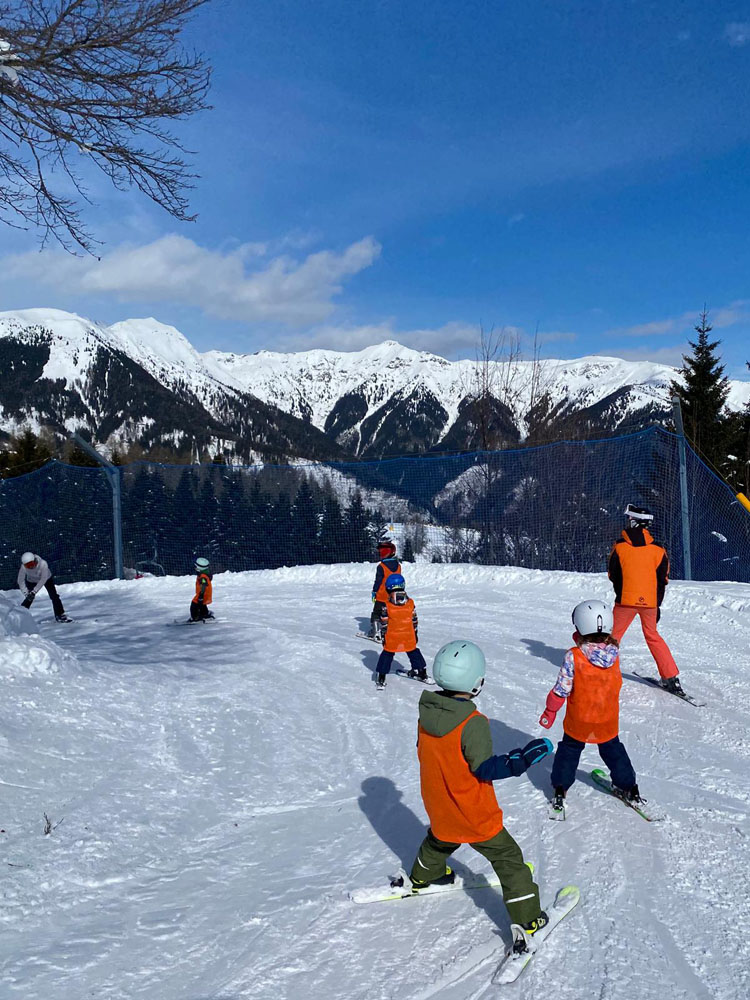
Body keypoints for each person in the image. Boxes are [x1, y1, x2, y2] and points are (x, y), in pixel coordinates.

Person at [406, 639, 552, 955]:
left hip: (438, 801)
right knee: (508, 859)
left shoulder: (426, 715)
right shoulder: (472, 723)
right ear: (476, 682)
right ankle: (528, 919)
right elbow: (485, 768)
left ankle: (423, 875)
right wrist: (523, 758)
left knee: (440, 838)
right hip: (472, 810)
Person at [539, 599, 642, 814]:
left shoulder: (574, 656)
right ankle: (629, 787)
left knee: (569, 751)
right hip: (607, 718)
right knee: (613, 751)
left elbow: (561, 689)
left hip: (580, 719)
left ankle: (560, 788)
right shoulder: (614, 655)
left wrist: (550, 711)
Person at [607, 503, 682, 694]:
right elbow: (663, 580)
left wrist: (622, 593)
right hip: (650, 603)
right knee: (653, 636)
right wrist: (657, 604)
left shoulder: (620, 547)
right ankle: (670, 678)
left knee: (613, 637)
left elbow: (613, 575)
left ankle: (604, 671)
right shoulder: (658, 549)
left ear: (633, 521)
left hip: (625, 601)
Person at [375, 573, 429, 689]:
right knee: (413, 651)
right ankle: (422, 673)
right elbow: (414, 620)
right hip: (408, 636)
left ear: (388, 588)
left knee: (387, 654)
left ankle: (381, 676)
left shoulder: (386, 606)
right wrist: (415, 632)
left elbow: (384, 623)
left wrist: (384, 636)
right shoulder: (410, 603)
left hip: (392, 637)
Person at [17, 552, 71, 622]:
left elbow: (43, 579)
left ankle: (60, 614)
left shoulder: (43, 564)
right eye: (27, 565)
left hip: (47, 579)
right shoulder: (23, 567)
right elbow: (20, 580)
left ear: (35, 560)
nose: (30, 567)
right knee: (29, 598)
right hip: (31, 580)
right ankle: (19, 615)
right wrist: (26, 593)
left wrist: (34, 591)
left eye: (31, 564)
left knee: (54, 596)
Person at [369, 538, 400, 639]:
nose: (381, 553)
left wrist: (374, 591)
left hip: (381, 595)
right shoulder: (398, 566)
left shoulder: (381, 566)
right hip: (393, 595)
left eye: (383, 551)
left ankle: (376, 632)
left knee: (377, 613)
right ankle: (389, 630)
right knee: (389, 613)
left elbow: (378, 581)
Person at [190, 557, 215, 621]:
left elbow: (203, 585)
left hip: (202, 594)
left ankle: (195, 617)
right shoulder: (205, 573)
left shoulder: (202, 577)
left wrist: (201, 596)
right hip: (206, 594)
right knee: (202, 604)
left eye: (196, 566)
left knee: (194, 604)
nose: (195, 567)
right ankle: (205, 614)